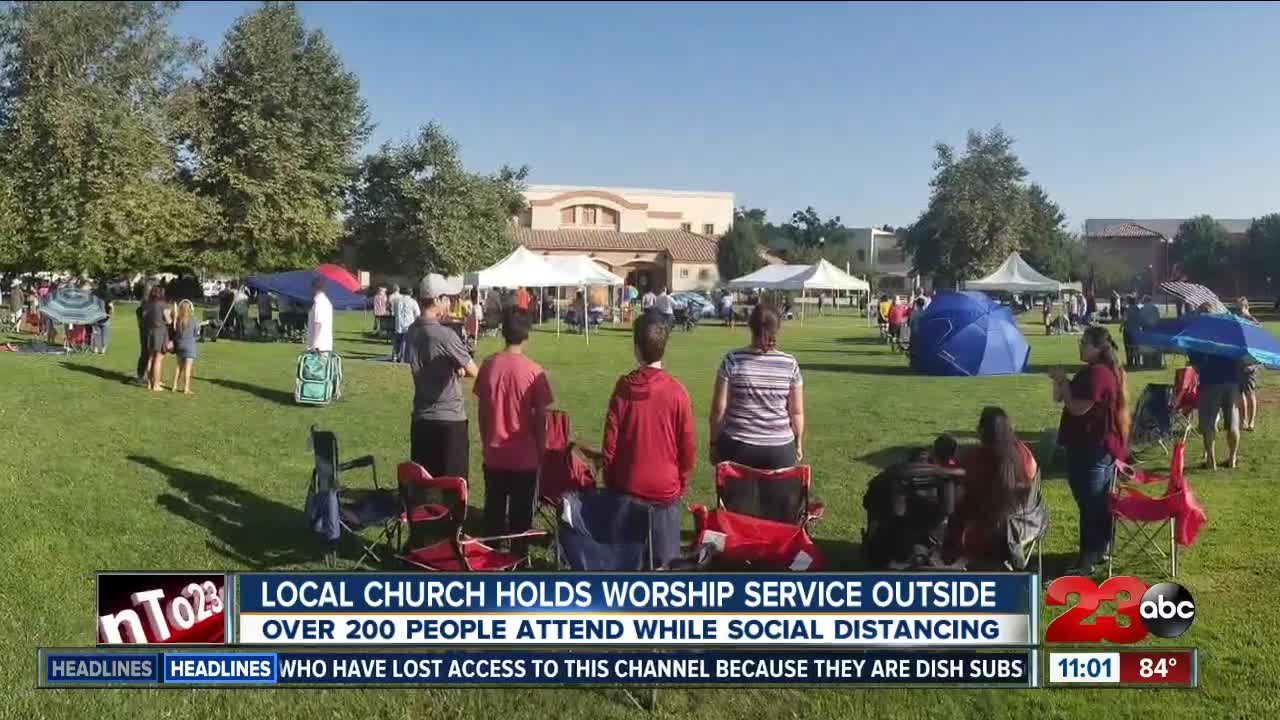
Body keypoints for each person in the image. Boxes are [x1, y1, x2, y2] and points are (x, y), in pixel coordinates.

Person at [588, 314, 695, 568]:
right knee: (664, 565)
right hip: (661, 489)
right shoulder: (676, 391)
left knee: (628, 562)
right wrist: (682, 479)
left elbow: (610, 443)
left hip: (629, 486)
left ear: (636, 348)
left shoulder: (625, 389)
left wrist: (611, 479)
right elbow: (687, 446)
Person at [1050, 325, 1130, 575]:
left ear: (1098, 348)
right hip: (1091, 446)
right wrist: (1061, 382)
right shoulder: (1092, 371)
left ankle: (1087, 559)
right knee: (1096, 502)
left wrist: (1063, 381)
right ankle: (1100, 549)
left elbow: (1077, 407)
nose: (1080, 346)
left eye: (1084, 343)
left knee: (1090, 504)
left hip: (1092, 447)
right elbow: (1059, 398)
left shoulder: (1097, 375)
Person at [473, 309, 553, 556]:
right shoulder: (533, 371)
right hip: (524, 458)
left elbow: (483, 411)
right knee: (520, 517)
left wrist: (486, 439)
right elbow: (540, 419)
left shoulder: (488, 366)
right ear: (526, 335)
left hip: (495, 453)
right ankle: (518, 559)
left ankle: (491, 556)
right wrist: (542, 448)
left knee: (494, 512)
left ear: (503, 333)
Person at [709, 304, 804, 470]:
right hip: (780, 449)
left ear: (750, 326)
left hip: (737, 447)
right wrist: (798, 443)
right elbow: (796, 412)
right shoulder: (790, 364)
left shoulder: (732, 360)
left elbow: (719, 410)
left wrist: (714, 443)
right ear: (777, 329)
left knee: (736, 497)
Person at [946, 407, 1038, 567]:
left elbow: (961, 493)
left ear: (981, 430)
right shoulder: (1023, 452)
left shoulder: (975, 458)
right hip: (1025, 524)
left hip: (985, 534)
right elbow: (1032, 477)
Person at [407, 285, 480, 480]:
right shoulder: (446, 335)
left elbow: (431, 362)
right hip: (449, 420)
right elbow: (475, 372)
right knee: (452, 486)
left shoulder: (412, 330)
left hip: (422, 417)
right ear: (437, 299)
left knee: (424, 484)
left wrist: (454, 368)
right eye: (448, 298)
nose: (451, 302)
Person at [1236, 298, 1261, 432]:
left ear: (1247, 307)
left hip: (1250, 363)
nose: (1239, 311)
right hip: (1239, 362)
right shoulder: (1237, 321)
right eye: (1238, 308)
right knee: (1241, 394)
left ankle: (1250, 422)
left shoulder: (1253, 322)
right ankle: (1243, 421)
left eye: (1241, 308)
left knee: (1249, 392)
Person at [142, 285, 172, 391]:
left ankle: (150, 383)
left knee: (150, 358)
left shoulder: (147, 304)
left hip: (149, 332)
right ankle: (156, 384)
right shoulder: (163, 305)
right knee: (158, 359)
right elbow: (169, 321)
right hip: (160, 332)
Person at [170, 299, 198, 394]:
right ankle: (186, 388)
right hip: (190, 346)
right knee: (188, 368)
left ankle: (174, 386)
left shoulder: (177, 320)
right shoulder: (193, 321)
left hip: (180, 346)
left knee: (178, 367)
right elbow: (196, 333)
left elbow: (174, 331)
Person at [390, 283, 419, 362]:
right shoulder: (413, 302)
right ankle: (402, 357)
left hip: (398, 323)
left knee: (397, 341)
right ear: (411, 293)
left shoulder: (397, 301)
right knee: (404, 341)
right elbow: (417, 313)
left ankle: (394, 356)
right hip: (408, 324)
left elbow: (394, 312)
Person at [306, 276, 334, 353]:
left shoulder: (320, 302)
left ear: (314, 288)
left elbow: (318, 323)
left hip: (319, 347)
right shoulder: (324, 301)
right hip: (323, 345)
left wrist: (315, 344)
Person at [135, 283, 153, 383]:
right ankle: (143, 376)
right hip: (147, 331)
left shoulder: (145, 304)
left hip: (144, 331)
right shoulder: (147, 304)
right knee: (147, 354)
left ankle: (143, 375)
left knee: (145, 354)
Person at [91, 285, 113, 354]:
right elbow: (111, 306)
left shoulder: (93, 294)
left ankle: (96, 349)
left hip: (95, 317)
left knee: (96, 334)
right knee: (105, 334)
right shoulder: (107, 295)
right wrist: (111, 314)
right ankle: (103, 349)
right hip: (105, 317)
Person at [1122, 295, 1142, 368]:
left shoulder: (1127, 309)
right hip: (1137, 330)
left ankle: (1130, 362)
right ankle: (1137, 361)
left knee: (1128, 347)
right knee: (1136, 347)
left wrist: (1121, 327)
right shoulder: (1138, 309)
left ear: (1128, 301)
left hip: (1128, 330)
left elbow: (1125, 319)